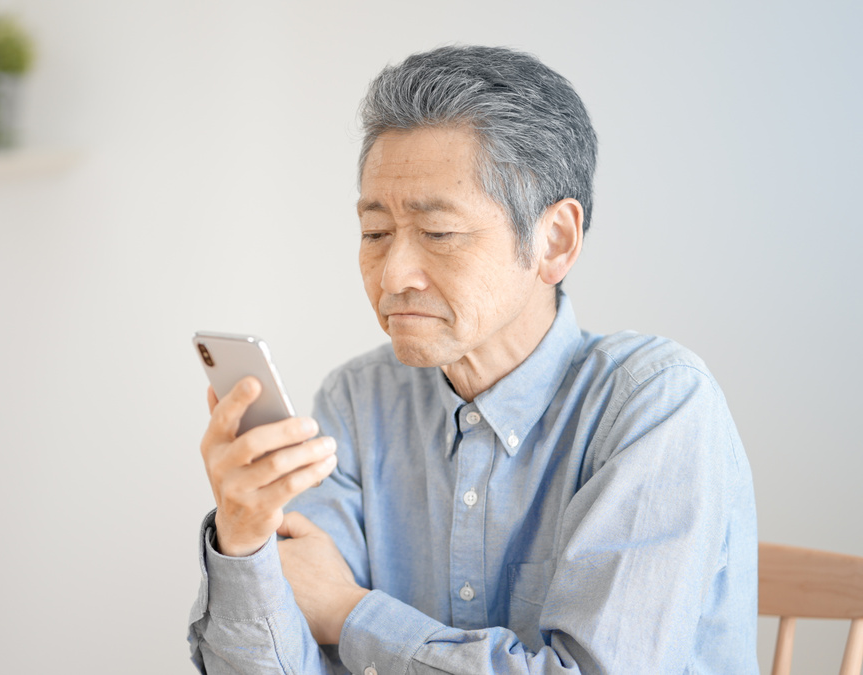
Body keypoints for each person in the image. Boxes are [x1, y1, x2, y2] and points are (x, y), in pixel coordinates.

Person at [187, 45, 757, 674]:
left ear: (554, 240)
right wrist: (243, 543)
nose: (394, 274)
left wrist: (351, 614)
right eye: (375, 233)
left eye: (439, 234)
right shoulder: (358, 400)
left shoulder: (656, 404)